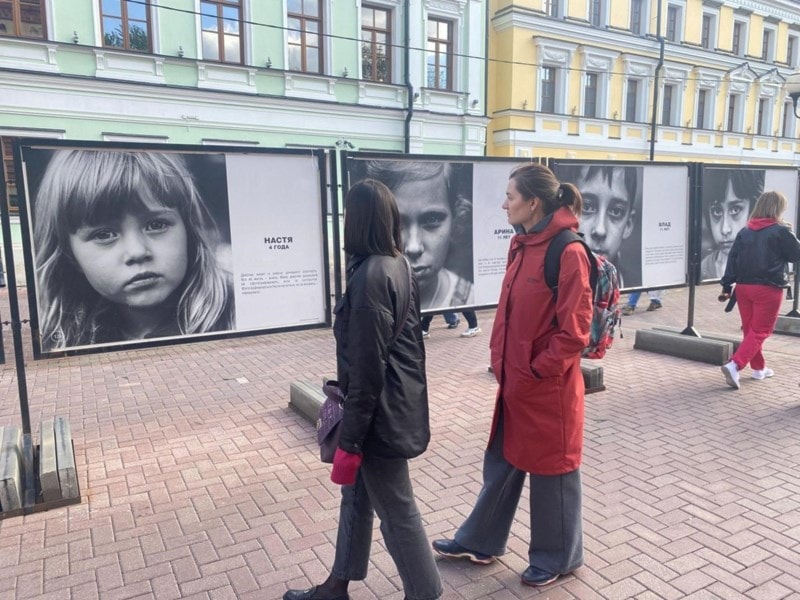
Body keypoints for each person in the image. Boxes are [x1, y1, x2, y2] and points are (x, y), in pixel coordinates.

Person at [432, 163, 593, 587]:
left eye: (510, 196)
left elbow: (575, 330)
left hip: (547, 387)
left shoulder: (567, 250)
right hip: (516, 382)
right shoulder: (523, 243)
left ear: (533, 202)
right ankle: (480, 541)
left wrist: (538, 368)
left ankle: (559, 558)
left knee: (553, 473)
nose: (504, 204)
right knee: (502, 463)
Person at [284, 179, 442, 600]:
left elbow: (368, 370)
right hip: (392, 405)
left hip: (378, 416)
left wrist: (351, 439)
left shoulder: (371, 275)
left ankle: (426, 592)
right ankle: (337, 584)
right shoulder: (395, 263)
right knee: (355, 500)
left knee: (397, 510)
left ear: (355, 222)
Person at [32, 149, 234, 351]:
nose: (137, 252)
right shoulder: (62, 342)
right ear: (70, 255)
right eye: (103, 235)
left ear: (189, 230)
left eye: (156, 225)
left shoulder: (236, 314)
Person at [349, 160, 474, 310]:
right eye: (395, 223)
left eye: (432, 220)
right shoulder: (362, 299)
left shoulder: (471, 297)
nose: (414, 247)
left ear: (455, 216)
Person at [719, 190, 800, 389]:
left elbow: (732, 260)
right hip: (768, 287)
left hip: (744, 288)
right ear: (778, 208)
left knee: (751, 330)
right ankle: (734, 364)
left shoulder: (745, 231)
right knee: (762, 331)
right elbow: (796, 255)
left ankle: (759, 369)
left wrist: (727, 285)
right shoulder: (781, 230)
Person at [554, 164, 642, 288]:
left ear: (628, 224)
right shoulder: (549, 281)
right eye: (587, 207)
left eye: (616, 211)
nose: (600, 230)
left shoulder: (634, 284)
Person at [701, 169, 764, 280]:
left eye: (735, 209)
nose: (725, 229)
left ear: (753, 210)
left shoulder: (763, 262)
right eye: (717, 211)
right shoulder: (704, 267)